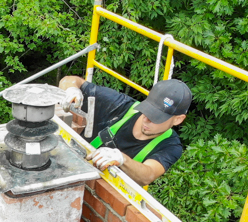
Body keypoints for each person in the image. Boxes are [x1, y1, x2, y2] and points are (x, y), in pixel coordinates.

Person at [59, 76, 192, 186]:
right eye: (148, 110)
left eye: (156, 117)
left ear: (178, 120)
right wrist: (71, 90)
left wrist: (122, 159)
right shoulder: (121, 106)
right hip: (72, 169)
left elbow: (148, 174)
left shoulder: (170, 146)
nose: (146, 120)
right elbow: (68, 80)